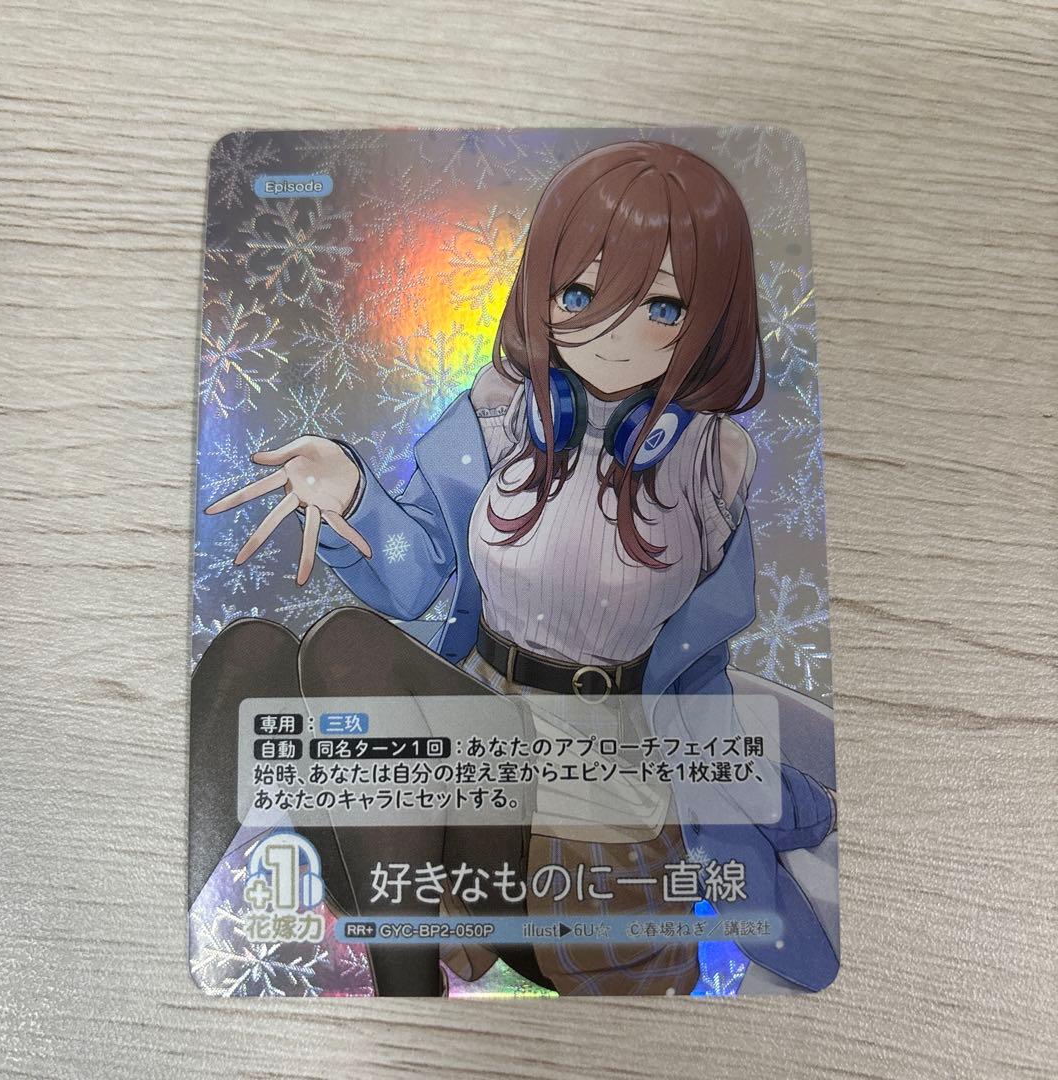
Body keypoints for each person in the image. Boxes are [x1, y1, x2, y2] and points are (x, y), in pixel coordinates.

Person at [192, 141, 839, 996]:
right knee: (254, 659)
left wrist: (769, 806)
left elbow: (701, 670)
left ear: (710, 317)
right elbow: (416, 576)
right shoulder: (503, 418)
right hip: (454, 812)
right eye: (579, 296)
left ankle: (408, 1001)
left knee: (350, 645)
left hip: (589, 835)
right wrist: (353, 497)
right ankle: (140, 937)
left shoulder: (711, 466)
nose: (609, 334)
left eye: (660, 306)